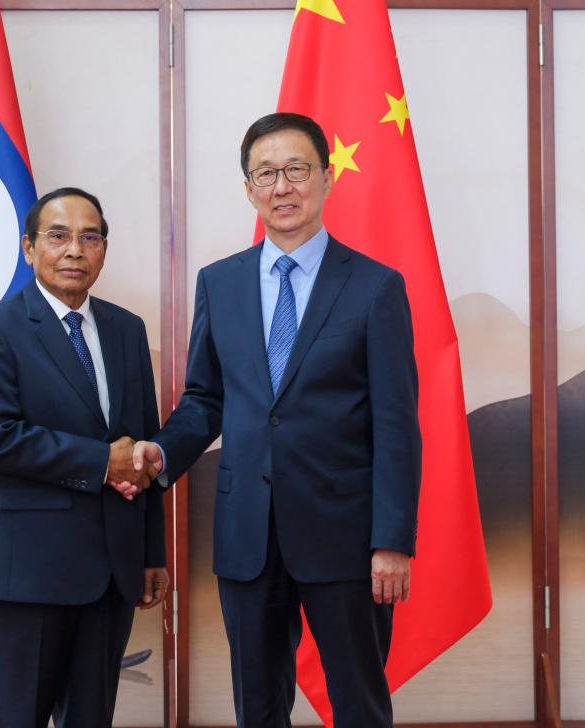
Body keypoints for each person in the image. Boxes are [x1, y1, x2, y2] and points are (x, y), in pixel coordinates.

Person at [129, 113, 422, 727]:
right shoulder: (221, 283)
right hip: (247, 538)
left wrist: (391, 540)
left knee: (360, 705)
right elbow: (206, 399)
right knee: (257, 709)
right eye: (265, 173)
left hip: (345, 537)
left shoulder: (374, 287)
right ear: (248, 188)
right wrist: (162, 453)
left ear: (325, 178)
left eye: (296, 170)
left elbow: (396, 423)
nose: (281, 187)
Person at [0, 187, 167, 728]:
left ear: (103, 248)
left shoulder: (127, 330)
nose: (75, 249)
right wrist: (103, 462)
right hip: (28, 573)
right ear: (29, 249)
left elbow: (142, 449)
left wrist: (150, 552)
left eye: (89, 236)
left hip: (112, 573)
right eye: (58, 236)